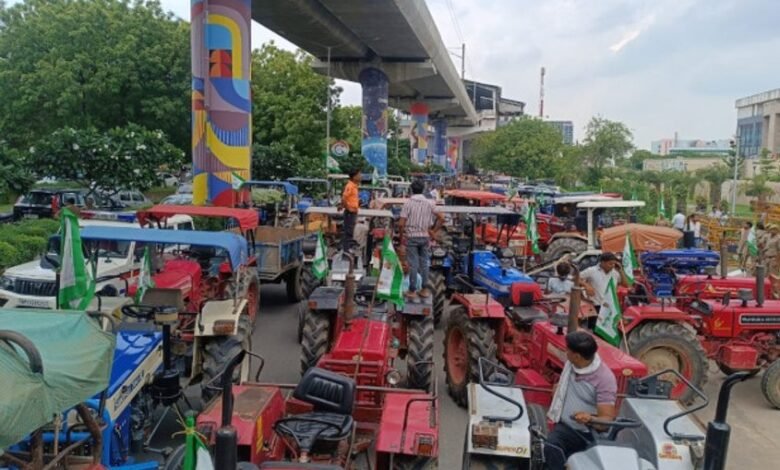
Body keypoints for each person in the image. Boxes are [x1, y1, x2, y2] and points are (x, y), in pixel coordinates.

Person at [544, 331, 618, 470]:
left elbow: (606, 421)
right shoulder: (572, 364)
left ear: (577, 356)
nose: (565, 352)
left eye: (568, 350)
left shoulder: (604, 379)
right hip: (565, 424)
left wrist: (589, 418)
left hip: (584, 432)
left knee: (551, 446)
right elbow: (553, 351)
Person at [398, 180, 444, 299]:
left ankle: (412, 290)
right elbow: (442, 218)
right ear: (423, 190)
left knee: (413, 264)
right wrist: (433, 231)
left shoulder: (408, 203)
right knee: (424, 264)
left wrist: (401, 237)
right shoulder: (430, 203)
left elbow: (401, 223)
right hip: (425, 237)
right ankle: (424, 289)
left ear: (411, 190)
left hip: (412, 237)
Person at [579, 253, 628, 329]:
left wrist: (621, 271)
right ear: (602, 262)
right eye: (610, 264)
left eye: (614, 264)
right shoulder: (591, 271)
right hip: (595, 306)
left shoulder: (615, 273)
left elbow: (625, 284)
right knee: (594, 330)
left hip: (610, 307)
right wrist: (586, 285)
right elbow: (575, 278)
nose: (612, 266)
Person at [339, 168, 361, 252]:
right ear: (354, 176)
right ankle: (346, 250)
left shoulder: (355, 186)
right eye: (359, 175)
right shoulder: (350, 186)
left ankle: (348, 249)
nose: (360, 176)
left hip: (353, 212)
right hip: (350, 212)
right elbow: (344, 197)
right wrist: (348, 207)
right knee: (348, 232)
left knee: (350, 231)